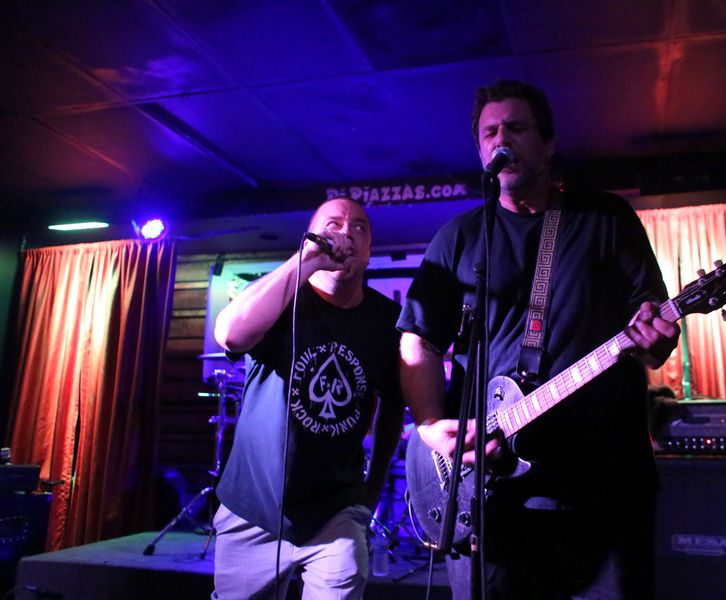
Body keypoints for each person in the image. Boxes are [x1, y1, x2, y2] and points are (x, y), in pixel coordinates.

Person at [398, 80, 680, 599]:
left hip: (604, 486)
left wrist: (654, 338)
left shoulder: (605, 219)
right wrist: (431, 425)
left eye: (516, 127)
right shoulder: (458, 237)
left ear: (548, 145)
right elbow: (418, 341)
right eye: (489, 132)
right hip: (490, 494)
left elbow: (655, 330)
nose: (501, 138)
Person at [212, 198, 405, 599]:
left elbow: (392, 408)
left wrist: (371, 492)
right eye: (333, 224)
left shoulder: (386, 320)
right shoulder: (280, 297)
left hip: (335, 511)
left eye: (359, 227)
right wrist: (307, 260)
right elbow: (231, 334)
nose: (346, 233)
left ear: (369, 250)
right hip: (252, 507)